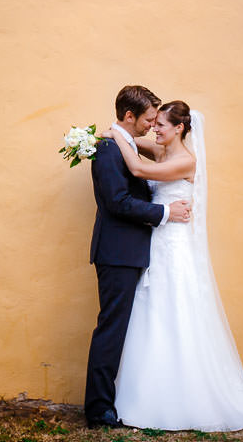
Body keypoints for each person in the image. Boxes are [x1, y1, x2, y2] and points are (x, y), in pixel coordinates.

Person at [108, 100, 243, 432]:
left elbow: (138, 169)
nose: (154, 129)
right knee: (151, 312)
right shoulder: (161, 149)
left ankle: (185, 396)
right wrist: (115, 133)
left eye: (161, 125)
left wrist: (115, 134)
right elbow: (135, 143)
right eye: (154, 124)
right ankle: (147, 393)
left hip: (174, 247)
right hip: (155, 242)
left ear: (179, 128)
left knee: (175, 308)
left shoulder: (185, 161)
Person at [84, 85, 193, 429]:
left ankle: (125, 400)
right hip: (118, 252)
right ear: (130, 116)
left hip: (134, 252)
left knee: (125, 329)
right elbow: (117, 202)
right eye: (148, 119)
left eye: (158, 121)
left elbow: (142, 161)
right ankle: (99, 409)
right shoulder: (108, 149)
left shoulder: (128, 144)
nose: (152, 125)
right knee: (112, 329)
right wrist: (166, 212)